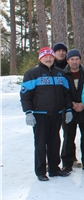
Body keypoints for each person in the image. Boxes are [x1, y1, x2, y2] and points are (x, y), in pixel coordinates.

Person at [20, 47, 73, 181]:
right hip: (40, 114)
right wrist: (28, 112)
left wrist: (68, 109)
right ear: (40, 58)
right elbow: (25, 95)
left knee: (55, 142)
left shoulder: (60, 73)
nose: (48, 59)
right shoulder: (32, 73)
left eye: (50, 57)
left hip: (57, 114)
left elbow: (66, 94)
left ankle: (54, 169)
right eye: (45, 57)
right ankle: (41, 171)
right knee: (41, 143)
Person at [61, 49, 84, 172]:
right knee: (68, 137)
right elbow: (61, 92)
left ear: (80, 60)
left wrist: (83, 104)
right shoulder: (62, 74)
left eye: (77, 59)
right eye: (72, 59)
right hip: (69, 109)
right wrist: (71, 104)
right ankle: (67, 163)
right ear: (67, 60)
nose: (74, 62)